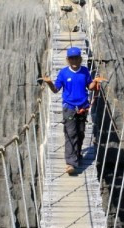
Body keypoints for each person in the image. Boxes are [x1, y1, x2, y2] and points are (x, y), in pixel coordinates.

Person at [41, 47, 105, 175]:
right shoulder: (63, 73)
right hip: (69, 108)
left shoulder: (85, 71)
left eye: (76, 58)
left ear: (80, 59)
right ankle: (71, 163)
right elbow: (55, 90)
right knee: (71, 134)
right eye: (71, 58)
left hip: (83, 108)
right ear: (67, 60)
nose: (74, 60)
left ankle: (77, 155)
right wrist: (49, 83)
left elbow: (90, 87)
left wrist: (95, 81)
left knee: (80, 133)